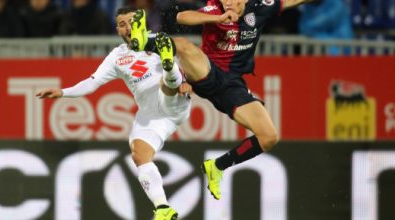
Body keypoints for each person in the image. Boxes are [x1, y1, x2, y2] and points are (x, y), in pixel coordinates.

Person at [129, 0, 314, 200]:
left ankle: (217, 166)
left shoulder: (262, 7)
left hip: (232, 85)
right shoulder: (216, 9)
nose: (228, 2)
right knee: (182, 45)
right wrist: (217, 18)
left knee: (269, 137)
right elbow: (182, 17)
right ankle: (144, 41)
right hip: (206, 69)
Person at [36, 6, 190, 220]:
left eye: (131, 23)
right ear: (117, 29)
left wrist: (187, 81)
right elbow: (92, 83)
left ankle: (171, 72)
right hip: (150, 113)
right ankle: (163, 208)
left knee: (167, 80)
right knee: (139, 154)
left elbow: (192, 59)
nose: (127, 28)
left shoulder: (159, 39)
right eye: (122, 24)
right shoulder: (117, 57)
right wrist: (62, 92)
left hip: (174, 102)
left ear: (141, 24)